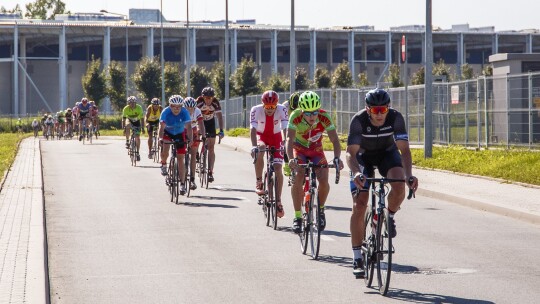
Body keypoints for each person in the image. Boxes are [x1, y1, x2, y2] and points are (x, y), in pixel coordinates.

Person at [346, 88, 419, 277]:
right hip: (363, 157)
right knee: (359, 204)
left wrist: (409, 175)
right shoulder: (358, 120)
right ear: (368, 109)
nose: (380, 114)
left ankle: (389, 216)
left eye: (383, 109)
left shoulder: (396, 118)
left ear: (388, 108)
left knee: (398, 185)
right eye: (376, 110)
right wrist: (355, 173)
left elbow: (405, 151)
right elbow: (350, 154)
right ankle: (357, 257)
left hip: (387, 153)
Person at [286, 91, 343, 233]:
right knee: (298, 177)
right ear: (302, 111)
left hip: (316, 150)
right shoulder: (295, 116)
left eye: (315, 112)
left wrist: (336, 157)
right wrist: (291, 159)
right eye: (308, 113)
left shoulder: (324, 117)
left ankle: (321, 211)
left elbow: (335, 140)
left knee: (323, 180)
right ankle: (298, 217)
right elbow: (289, 139)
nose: (312, 116)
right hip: (299, 150)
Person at [250, 90, 288, 217]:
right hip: (261, 136)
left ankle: (278, 201)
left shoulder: (282, 109)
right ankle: (259, 180)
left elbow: (285, 129)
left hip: (276, 138)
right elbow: (253, 130)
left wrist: (286, 145)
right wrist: (254, 146)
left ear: (277, 105)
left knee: (278, 169)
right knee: (260, 149)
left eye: (272, 107)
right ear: (263, 104)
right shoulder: (256, 110)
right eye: (267, 107)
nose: (270, 109)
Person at [158, 95, 193, 195]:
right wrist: (160, 138)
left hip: (179, 133)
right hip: (167, 132)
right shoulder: (165, 112)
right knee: (165, 150)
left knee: (181, 158)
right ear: (170, 106)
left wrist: (190, 139)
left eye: (179, 106)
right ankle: (164, 163)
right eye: (174, 106)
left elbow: (189, 127)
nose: (177, 109)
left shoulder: (185, 112)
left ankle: (182, 184)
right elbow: (161, 127)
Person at [196, 86, 224, 183]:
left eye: (210, 98)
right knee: (198, 135)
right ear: (203, 97)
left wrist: (221, 130)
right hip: (200, 121)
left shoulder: (215, 103)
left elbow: (220, 117)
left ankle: (211, 171)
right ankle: (196, 152)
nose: (208, 100)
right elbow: (194, 115)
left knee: (211, 148)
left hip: (210, 122)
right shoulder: (198, 102)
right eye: (206, 98)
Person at [281, 92, 300, 176]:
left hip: (298, 123)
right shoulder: (285, 106)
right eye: (293, 108)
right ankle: (286, 164)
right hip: (287, 123)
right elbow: (283, 122)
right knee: (286, 142)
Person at [122, 96, 145, 161]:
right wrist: (124, 128)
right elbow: (123, 119)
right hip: (129, 120)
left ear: (135, 103)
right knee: (127, 125)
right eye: (130, 103)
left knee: (137, 137)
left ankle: (137, 152)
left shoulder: (139, 108)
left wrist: (142, 128)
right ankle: (127, 141)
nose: (132, 104)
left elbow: (142, 118)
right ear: (128, 103)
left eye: (133, 103)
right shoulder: (125, 109)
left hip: (137, 122)